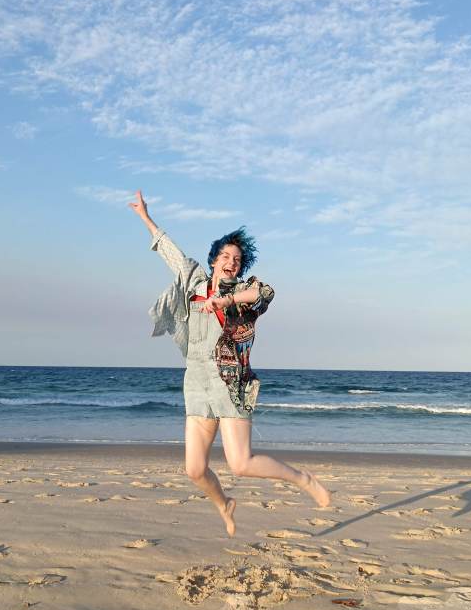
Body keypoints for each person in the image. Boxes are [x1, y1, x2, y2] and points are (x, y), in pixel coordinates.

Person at [129, 190, 330, 536]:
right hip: (196, 384)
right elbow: (169, 250)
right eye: (225, 256)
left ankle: (303, 479)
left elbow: (265, 293)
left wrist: (225, 301)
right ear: (213, 260)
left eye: (237, 259)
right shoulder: (193, 280)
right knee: (194, 470)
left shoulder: (243, 292)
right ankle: (224, 504)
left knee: (241, 464)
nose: (231, 262)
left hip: (231, 385)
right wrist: (146, 217)